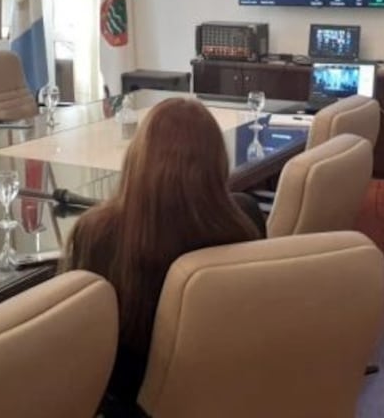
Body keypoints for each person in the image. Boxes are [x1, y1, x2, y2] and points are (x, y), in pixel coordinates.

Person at [62, 98, 262, 405]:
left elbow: (78, 338)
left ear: (137, 156)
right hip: (225, 390)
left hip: (133, 400)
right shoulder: (245, 218)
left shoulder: (97, 233)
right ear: (218, 161)